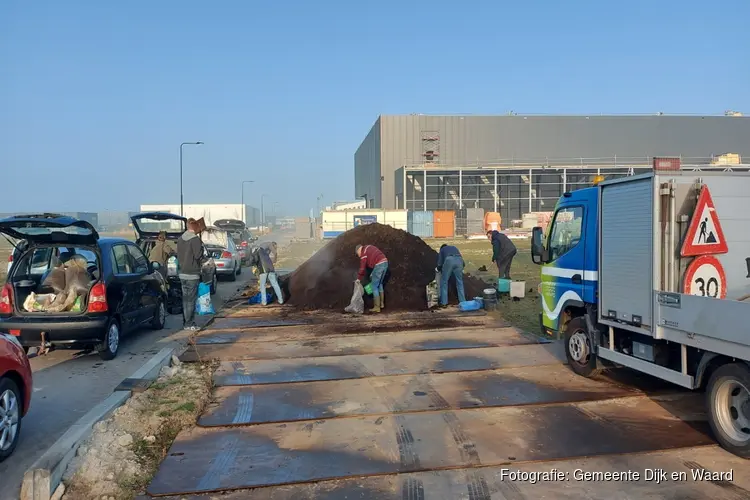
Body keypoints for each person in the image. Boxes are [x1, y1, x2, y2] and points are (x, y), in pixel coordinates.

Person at [177, 218, 206, 330]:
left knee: (185, 299)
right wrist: (202, 248)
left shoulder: (180, 239)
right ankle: (189, 324)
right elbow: (198, 256)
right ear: (195, 227)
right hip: (192, 274)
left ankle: (186, 322)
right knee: (191, 300)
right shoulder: (195, 240)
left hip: (182, 273)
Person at [355, 244, 388, 313]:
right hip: (385, 262)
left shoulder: (363, 252)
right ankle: (381, 304)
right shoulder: (368, 247)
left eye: (358, 254)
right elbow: (374, 260)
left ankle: (377, 307)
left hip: (379, 264)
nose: (359, 256)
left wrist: (358, 278)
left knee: (374, 286)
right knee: (380, 284)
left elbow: (362, 268)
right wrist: (373, 273)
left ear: (358, 250)